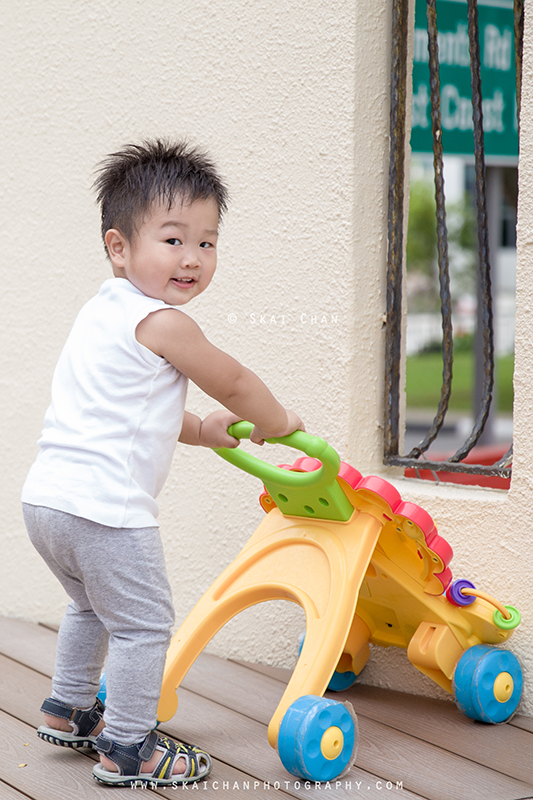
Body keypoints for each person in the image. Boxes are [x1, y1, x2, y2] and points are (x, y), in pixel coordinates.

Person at [21, 139, 304, 788]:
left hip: (49, 504)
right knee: (144, 626)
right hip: (107, 514)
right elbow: (230, 380)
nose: (192, 259)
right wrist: (273, 420)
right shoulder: (164, 324)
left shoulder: (100, 314)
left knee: (92, 608)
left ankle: (67, 708)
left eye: (207, 243)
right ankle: (128, 747)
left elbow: (128, 412)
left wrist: (201, 430)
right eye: (173, 240)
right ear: (118, 247)